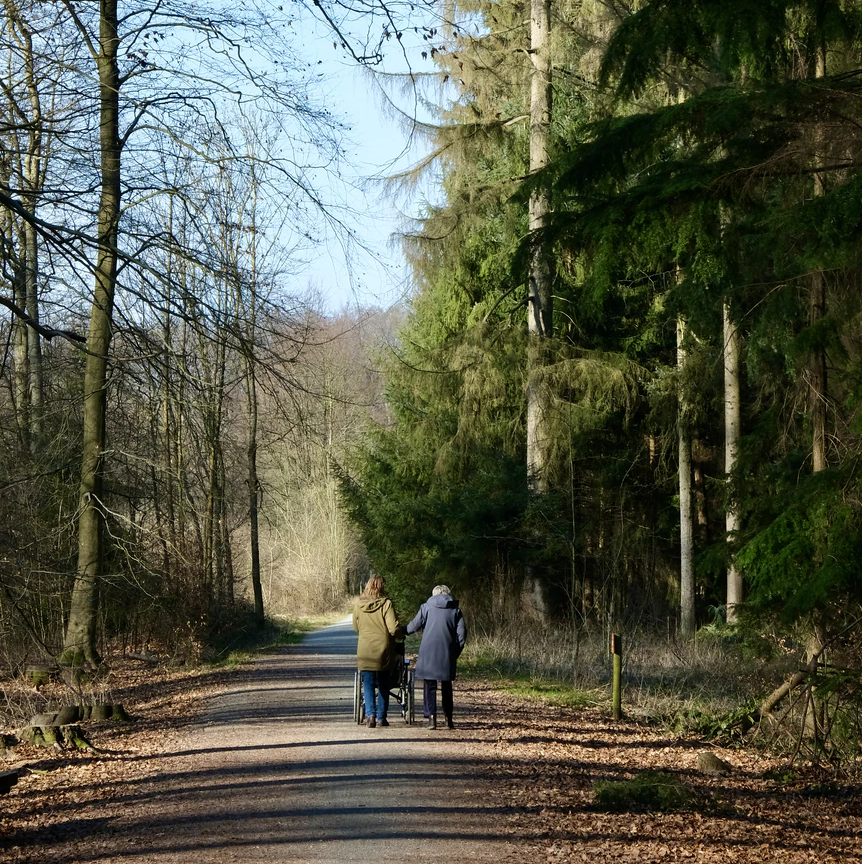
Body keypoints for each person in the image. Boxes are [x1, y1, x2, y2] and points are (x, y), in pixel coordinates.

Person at [406, 584, 467, 730]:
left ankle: (431, 718)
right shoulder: (455, 611)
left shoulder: (426, 607)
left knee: (430, 684)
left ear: (433, 595)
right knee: (446, 685)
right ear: (448, 594)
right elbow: (462, 636)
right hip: (447, 652)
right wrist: (454, 653)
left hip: (428, 652)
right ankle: (448, 719)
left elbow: (413, 626)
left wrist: (402, 631)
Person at [353, 574, 400, 728]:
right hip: (383, 650)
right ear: (381, 586)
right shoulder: (386, 604)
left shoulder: (358, 604)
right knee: (383, 684)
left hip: (365, 648)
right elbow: (393, 628)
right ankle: (381, 717)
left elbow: (355, 627)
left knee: (367, 683)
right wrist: (400, 634)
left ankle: (370, 715)